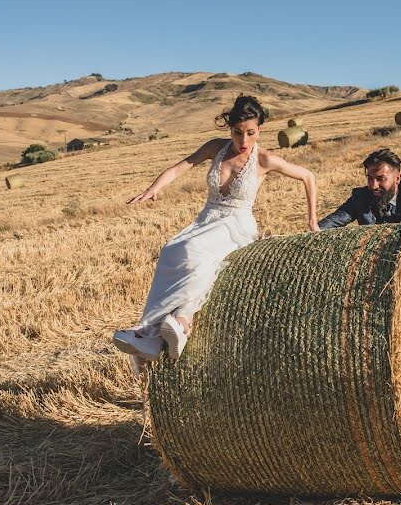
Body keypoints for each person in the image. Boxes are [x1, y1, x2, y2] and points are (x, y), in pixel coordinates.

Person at [113, 95, 319, 361]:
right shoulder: (215, 148)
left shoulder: (264, 159)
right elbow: (180, 167)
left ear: (259, 130)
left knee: (193, 252)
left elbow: (308, 176)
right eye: (237, 132)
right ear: (229, 128)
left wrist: (312, 220)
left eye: (250, 133)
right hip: (207, 219)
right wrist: (154, 189)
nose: (243, 141)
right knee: (170, 251)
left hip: (237, 224)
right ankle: (152, 333)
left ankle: (178, 322)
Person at [317, 148, 401, 229]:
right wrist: (311, 234)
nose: (373, 186)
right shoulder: (360, 197)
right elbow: (335, 220)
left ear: (397, 178)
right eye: (370, 178)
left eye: (381, 179)